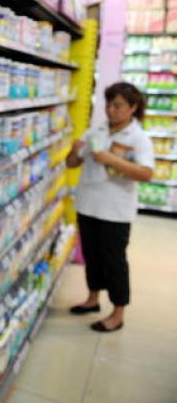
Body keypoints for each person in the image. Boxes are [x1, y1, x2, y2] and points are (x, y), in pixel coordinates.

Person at [65, 82, 154, 332]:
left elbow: (146, 173)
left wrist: (110, 158)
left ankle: (118, 313)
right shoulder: (97, 131)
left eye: (118, 105)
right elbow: (71, 164)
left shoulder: (139, 138)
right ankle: (92, 299)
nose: (111, 110)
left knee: (114, 262)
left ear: (132, 108)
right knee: (92, 257)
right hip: (88, 204)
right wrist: (74, 152)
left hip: (115, 211)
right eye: (108, 104)